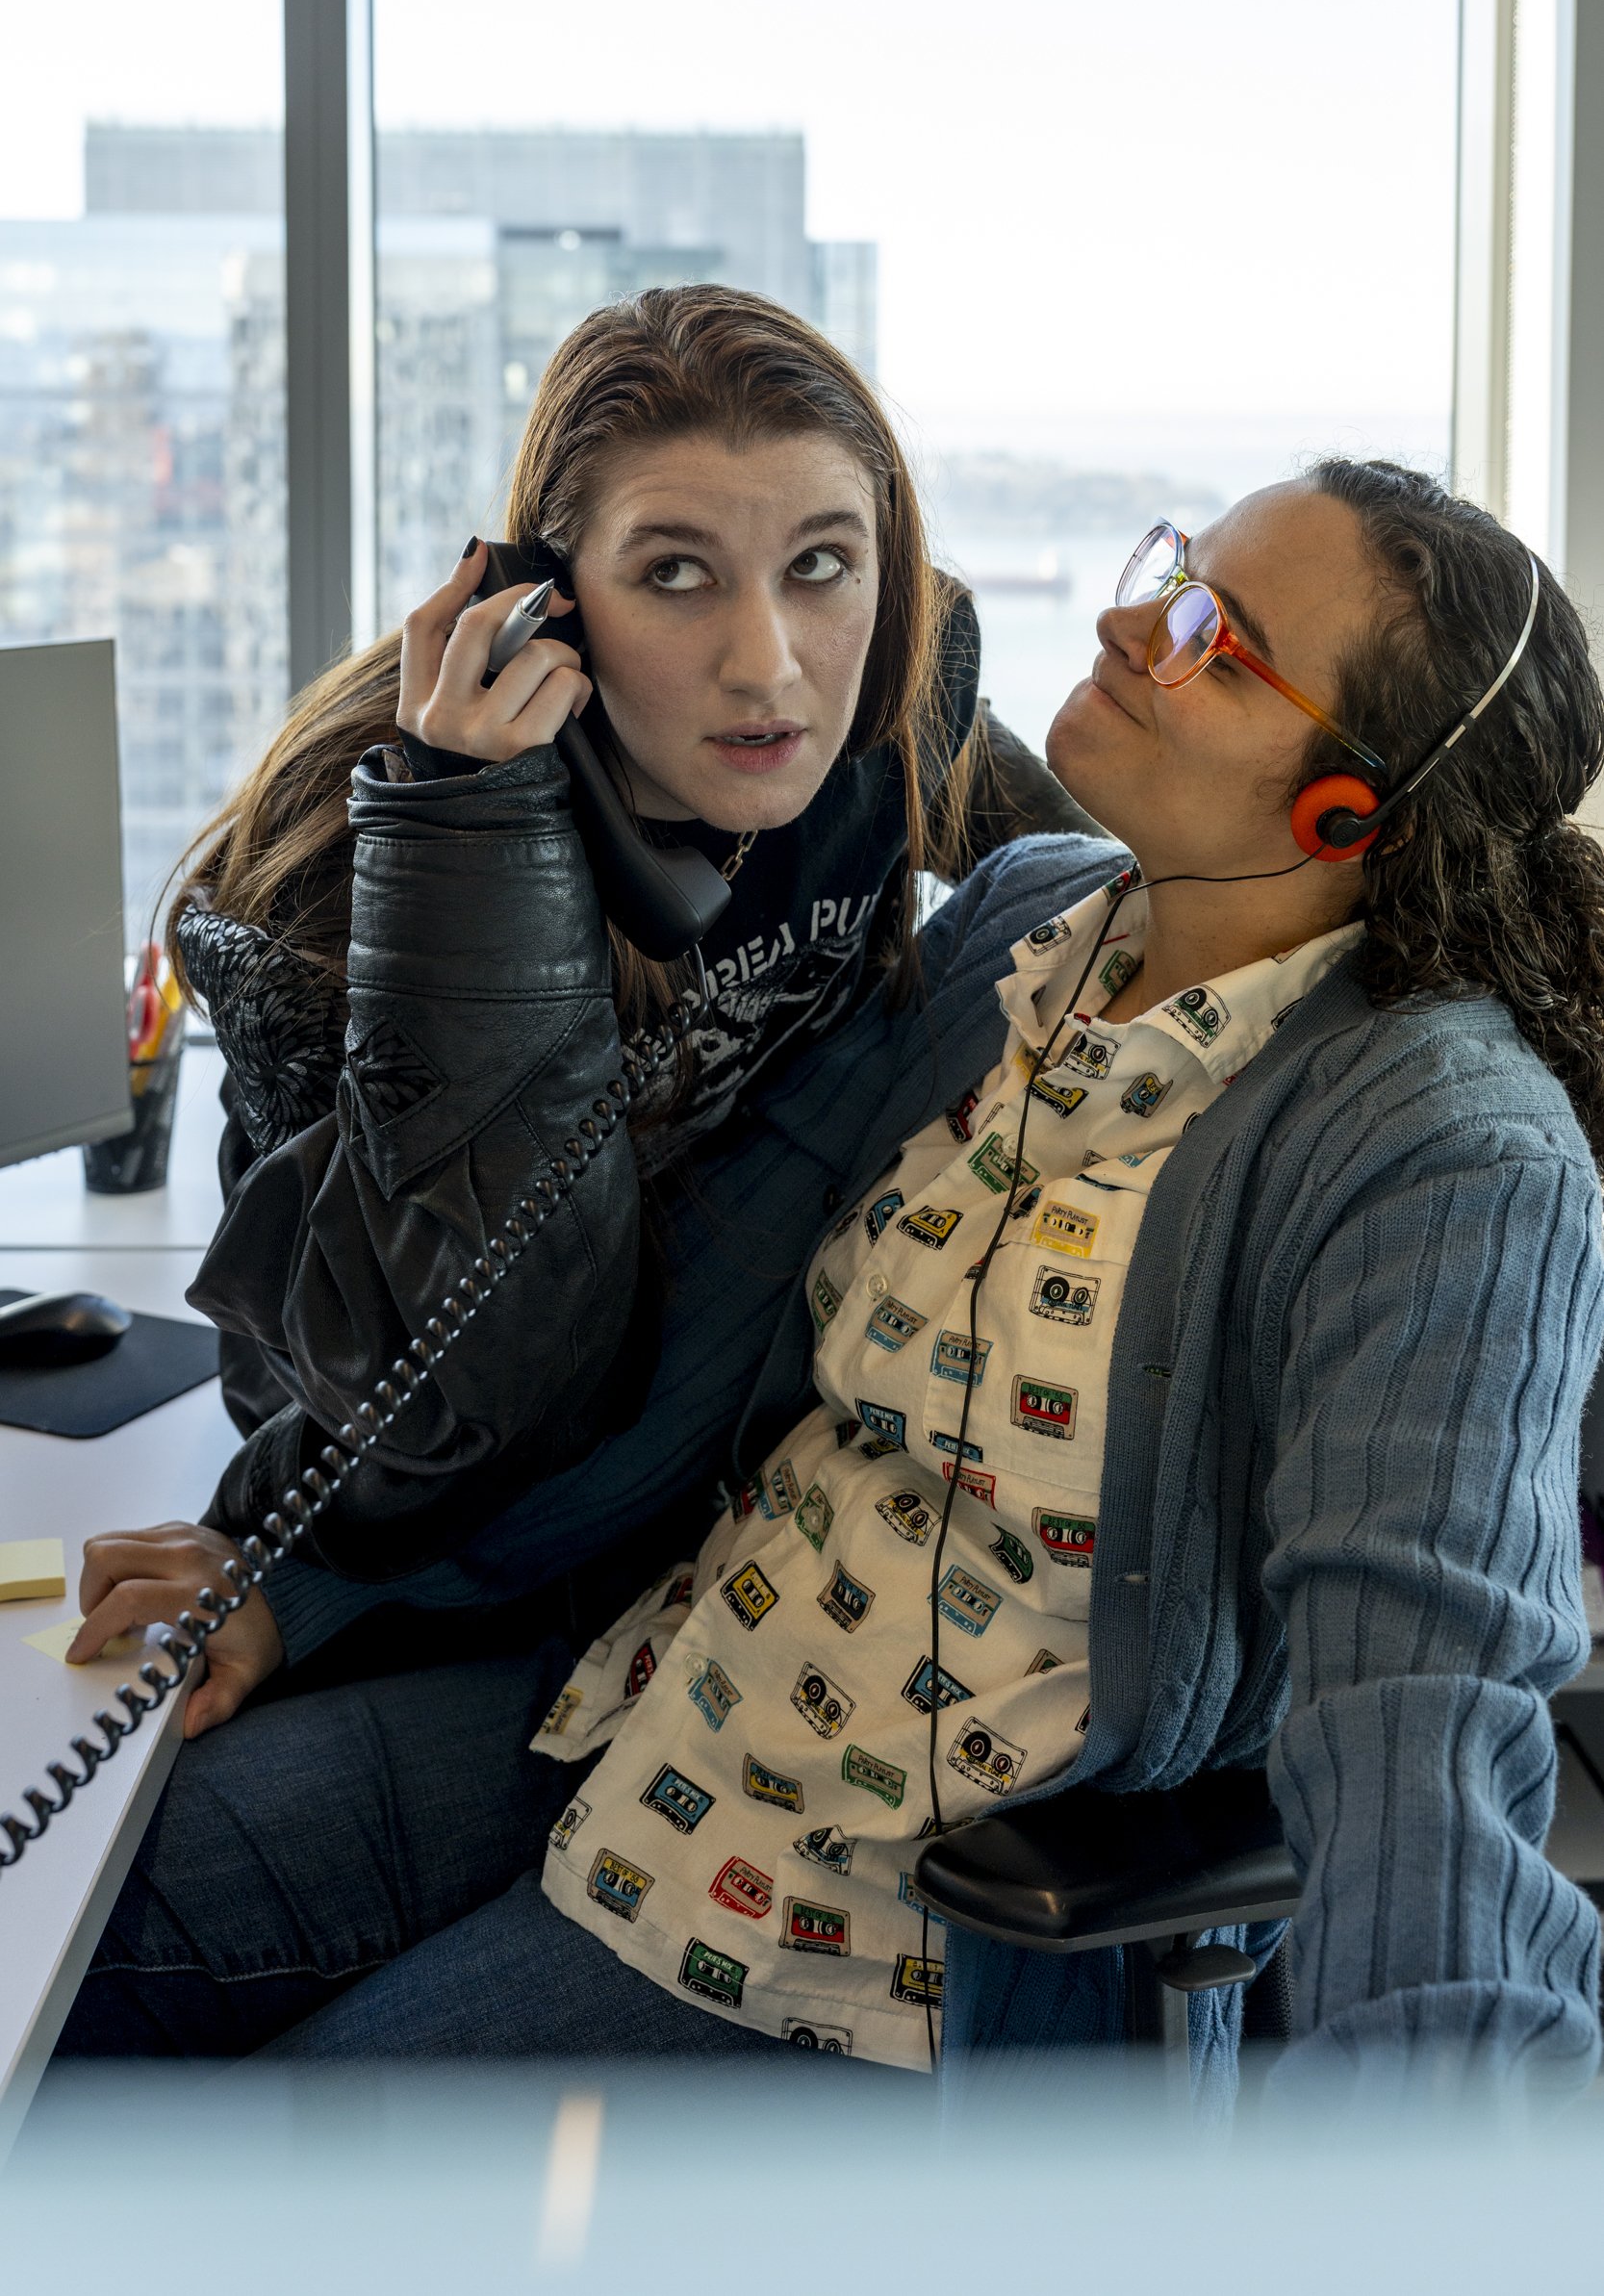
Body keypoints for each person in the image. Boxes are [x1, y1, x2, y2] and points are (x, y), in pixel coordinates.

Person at [62, 460, 1604, 2108]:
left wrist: (1457, 2179)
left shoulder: (1440, 1147)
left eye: (1212, 634)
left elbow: (1426, 1702)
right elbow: (683, 1344)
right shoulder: (1030, 924)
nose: (1122, 618)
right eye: (1172, 566)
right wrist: (306, 1577)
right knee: (59, 1931)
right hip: (636, 1710)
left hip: (869, 1940)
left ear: (1351, 809)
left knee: (221, 2185)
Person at [64, 284, 1090, 1730]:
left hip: (709, 1401)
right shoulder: (341, 866)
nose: (769, 663)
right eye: (676, 574)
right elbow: (446, 1385)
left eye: (821, 565)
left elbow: (1140, 905)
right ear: (542, 597)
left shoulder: (882, 712)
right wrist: (476, 844)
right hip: (419, 1473)